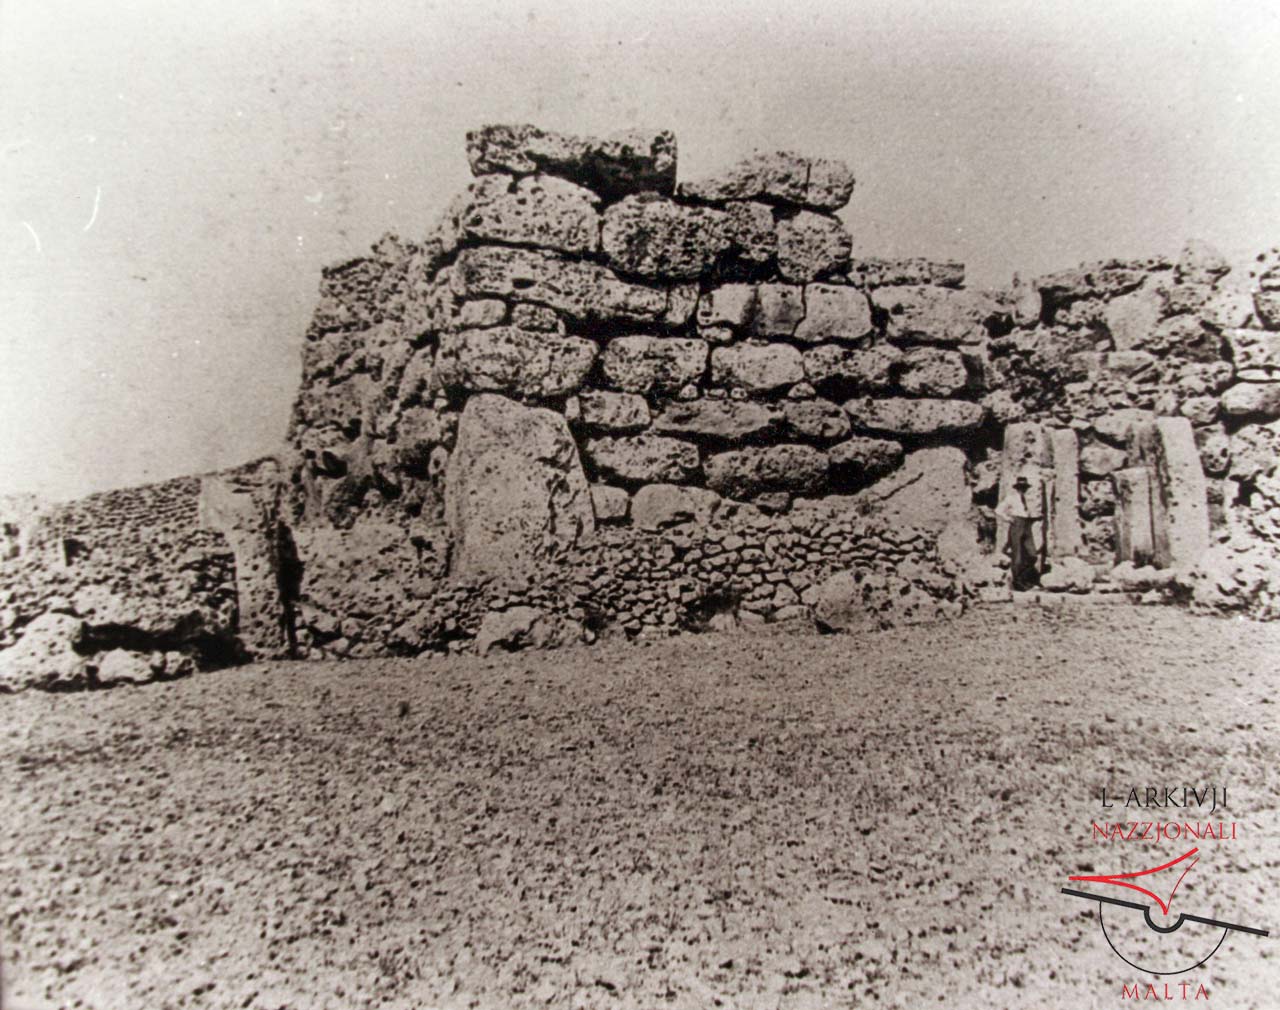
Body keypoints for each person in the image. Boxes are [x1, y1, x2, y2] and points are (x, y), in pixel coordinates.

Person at [995, 472, 1041, 590]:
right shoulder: (1011, 498)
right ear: (1017, 487)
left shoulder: (1026, 499)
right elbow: (999, 510)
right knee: (1017, 555)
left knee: (1032, 555)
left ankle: (1023, 576)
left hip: (1026, 524)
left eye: (1025, 487)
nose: (1023, 489)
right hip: (1017, 524)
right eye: (1021, 487)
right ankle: (1017, 582)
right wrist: (1009, 519)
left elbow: (1027, 512)